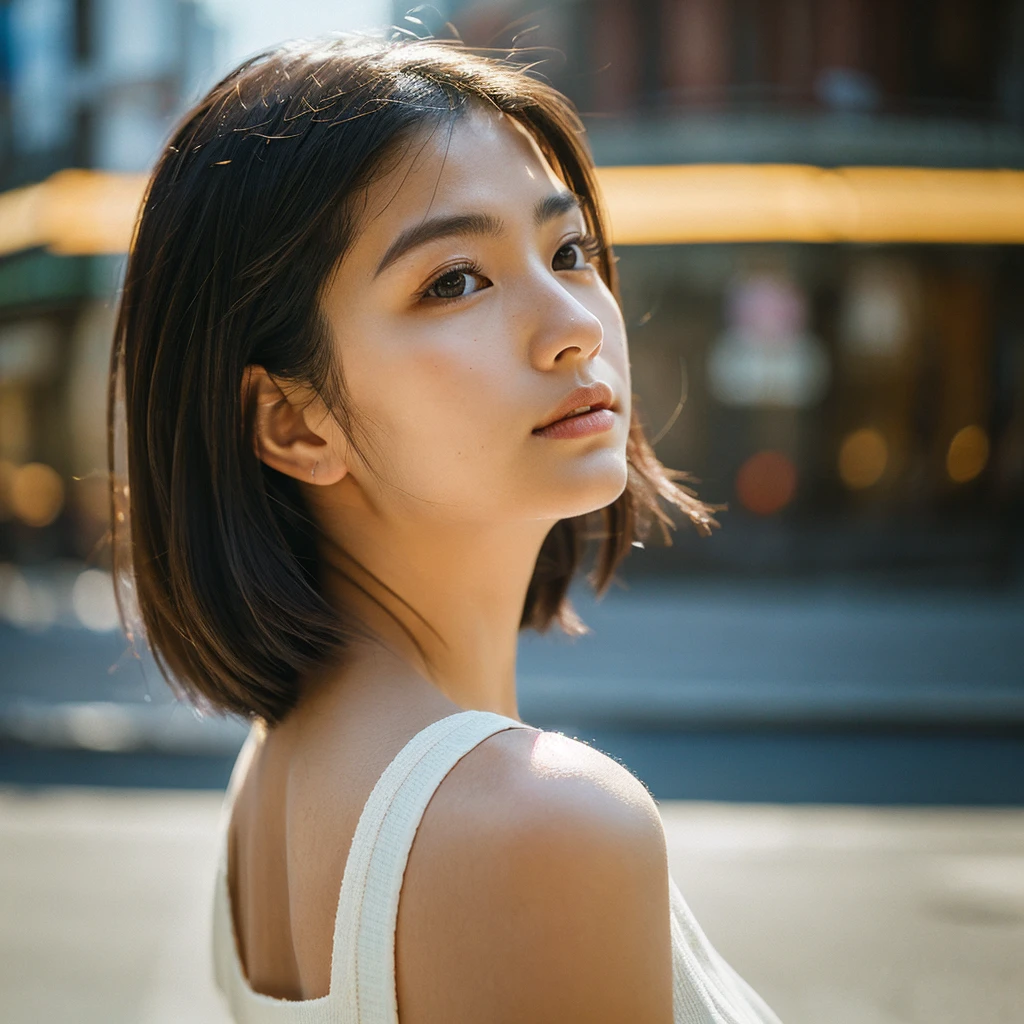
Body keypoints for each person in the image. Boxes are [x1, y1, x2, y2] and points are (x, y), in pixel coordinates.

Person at [108, 31, 783, 1024]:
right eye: (454, 280)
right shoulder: (541, 825)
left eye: (569, 250)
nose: (575, 324)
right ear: (294, 421)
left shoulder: (277, 766)